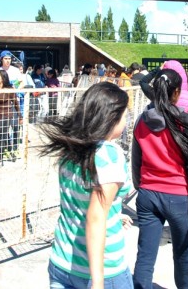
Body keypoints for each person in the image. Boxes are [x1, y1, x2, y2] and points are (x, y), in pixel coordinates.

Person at [39, 82, 133, 289]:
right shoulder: (108, 154)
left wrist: (114, 213)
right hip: (102, 269)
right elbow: (95, 218)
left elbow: (81, 201)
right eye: (124, 115)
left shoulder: (70, 149)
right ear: (111, 118)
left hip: (61, 262)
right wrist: (97, 280)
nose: (126, 121)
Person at [131, 68, 188, 289]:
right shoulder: (185, 123)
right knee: (183, 255)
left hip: (147, 194)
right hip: (179, 197)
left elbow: (137, 160)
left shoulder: (142, 121)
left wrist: (141, 186)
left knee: (145, 255)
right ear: (176, 92)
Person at [0, 69, 22, 168]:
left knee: (2, 136)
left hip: (6, 115)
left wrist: (20, 116)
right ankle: (8, 149)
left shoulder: (9, 89)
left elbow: (15, 103)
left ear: (3, 78)